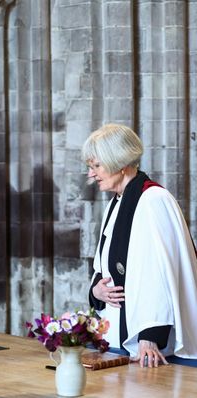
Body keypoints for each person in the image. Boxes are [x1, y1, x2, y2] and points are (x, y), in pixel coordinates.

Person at [82, 123, 197, 368]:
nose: (91, 174)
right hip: (115, 335)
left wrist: (150, 336)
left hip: (149, 345)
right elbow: (102, 266)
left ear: (120, 164)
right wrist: (96, 291)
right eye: (90, 167)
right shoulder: (117, 202)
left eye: (97, 166)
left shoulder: (153, 199)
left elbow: (160, 273)